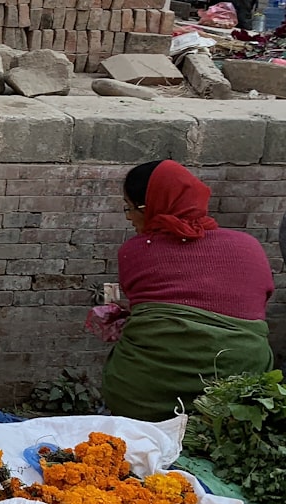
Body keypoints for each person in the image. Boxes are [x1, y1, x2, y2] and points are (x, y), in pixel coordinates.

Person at [100, 159, 275, 422]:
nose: (128, 217)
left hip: (142, 397)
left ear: (151, 208)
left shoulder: (136, 250)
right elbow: (258, 305)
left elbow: (152, 311)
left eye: (130, 208)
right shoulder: (249, 246)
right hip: (238, 394)